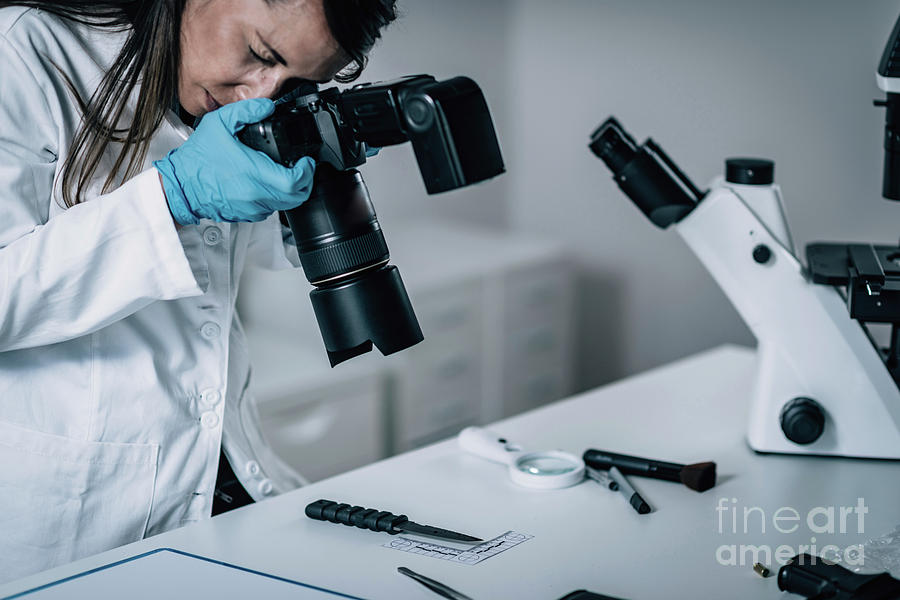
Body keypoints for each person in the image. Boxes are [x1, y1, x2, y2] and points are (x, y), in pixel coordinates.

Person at [0, 0, 396, 583]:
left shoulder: (232, 91)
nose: (257, 94)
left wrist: (308, 181)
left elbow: (230, 260)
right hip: (69, 524)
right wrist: (172, 197)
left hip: (219, 476)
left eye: (296, 82)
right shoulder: (25, 52)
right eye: (261, 54)